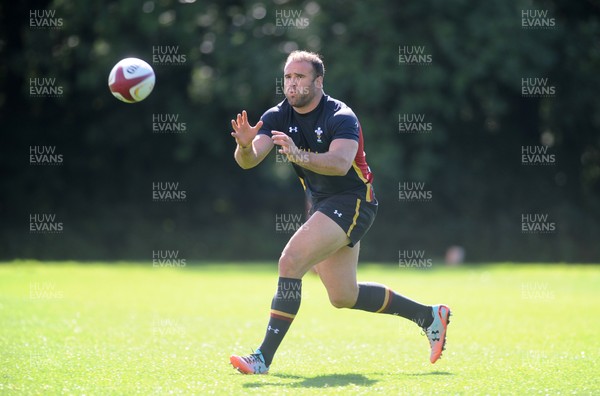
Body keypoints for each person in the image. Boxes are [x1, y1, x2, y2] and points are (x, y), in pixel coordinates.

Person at [229, 50, 450, 374]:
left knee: (290, 261)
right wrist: (246, 146)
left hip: (354, 200)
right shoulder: (276, 115)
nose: (292, 84)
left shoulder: (340, 116)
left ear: (318, 82)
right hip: (324, 206)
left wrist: (297, 155)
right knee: (343, 295)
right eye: (288, 77)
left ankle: (262, 357)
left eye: (300, 77)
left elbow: (340, 162)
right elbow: (249, 161)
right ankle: (429, 316)